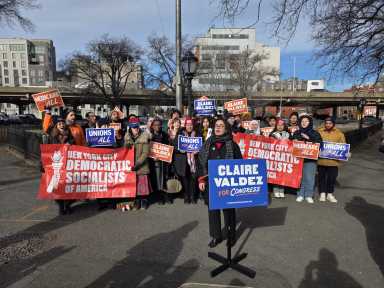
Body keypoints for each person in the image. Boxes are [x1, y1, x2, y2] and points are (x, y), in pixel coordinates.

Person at [198, 117, 243, 248]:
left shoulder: (232, 144)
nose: (218, 127)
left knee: (229, 211)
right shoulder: (208, 143)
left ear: (226, 129)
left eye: (221, 126)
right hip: (211, 183)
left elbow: (239, 164)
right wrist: (201, 179)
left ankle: (231, 236)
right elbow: (201, 162)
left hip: (227, 184)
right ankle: (216, 236)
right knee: (213, 211)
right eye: (216, 125)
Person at [44, 118, 75, 215]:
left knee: (70, 187)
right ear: (56, 126)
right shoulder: (52, 137)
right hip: (56, 166)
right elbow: (46, 152)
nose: (61, 125)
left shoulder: (70, 138)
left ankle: (68, 205)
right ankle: (61, 207)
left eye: (63, 123)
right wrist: (43, 165)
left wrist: (70, 144)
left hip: (69, 165)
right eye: (59, 124)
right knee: (58, 188)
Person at [292, 115, 322, 203]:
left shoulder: (315, 133)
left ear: (310, 123)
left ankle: (309, 195)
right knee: (299, 178)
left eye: (306, 121)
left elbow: (320, 144)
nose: (304, 123)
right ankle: (300, 194)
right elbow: (291, 143)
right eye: (302, 121)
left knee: (309, 177)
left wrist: (309, 138)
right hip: (298, 159)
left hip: (310, 160)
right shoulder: (297, 132)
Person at [317, 117, 346, 203]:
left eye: (330, 123)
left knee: (332, 178)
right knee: (321, 178)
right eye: (326, 123)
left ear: (333, 124)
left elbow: (343, 145)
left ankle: (330, 194)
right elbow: (315, 142)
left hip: (333, 162)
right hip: (321, 160)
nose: (328, 125)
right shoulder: (320, 132)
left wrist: (345, 153)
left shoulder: (339, 134)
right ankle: (322, 193)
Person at [124, 117, 152, 210]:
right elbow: (123, 152)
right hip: (131, 165)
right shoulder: (127, 137)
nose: (135, 129)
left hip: (141, 165)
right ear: (130, 128)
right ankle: (136, 201)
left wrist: (138, 164)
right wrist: (126, 146)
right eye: (133, 127)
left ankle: (144, 201)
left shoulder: (144, 136)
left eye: (136, 127)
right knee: (134, 185)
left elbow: (145, 153)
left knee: (142, 186)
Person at [170, 117, 198, 204]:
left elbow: (201, 145)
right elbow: (174, 147)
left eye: (191, 125)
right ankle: (186, 195)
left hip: (194, 160)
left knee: (193, 178)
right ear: (185, 125)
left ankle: (193, 196)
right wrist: (180, 150)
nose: (189, 126)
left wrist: (198, 150)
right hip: (183, 160)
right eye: (188, 124)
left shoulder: (197, 133)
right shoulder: (180, 133)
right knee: (185, 178)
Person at [149, 118, 172, 205]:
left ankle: (166, 196)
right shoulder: (150, 137)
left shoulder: (165, 135)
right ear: (153, 126)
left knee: (165, 178)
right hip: (155, 162)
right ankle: (159, 197)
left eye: (159, 125)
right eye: (156, 125)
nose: (157, 126)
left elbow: (169, 147)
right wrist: (152, 157)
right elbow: (148, 150)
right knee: (158, 180)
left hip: (165, 161)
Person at [270, 119, 290, 198]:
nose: (280, 127)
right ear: (276, 126)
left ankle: (282, 190)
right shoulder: (273, 134)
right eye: (278, 125)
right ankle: (276, 190)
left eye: (282, 125)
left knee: (283, 174)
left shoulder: (288, 134)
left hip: (285, 157)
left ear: (284, 126)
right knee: (276, 174)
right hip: (276, 156)